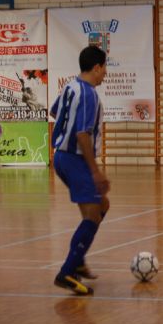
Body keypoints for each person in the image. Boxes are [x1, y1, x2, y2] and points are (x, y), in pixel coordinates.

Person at [50, 45, 109, 295]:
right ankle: (67, 272)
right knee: (93, 214)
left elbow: (56, 112)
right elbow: (82, 133)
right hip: (74, 159)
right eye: (104, 68)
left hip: (62, 157)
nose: (105, 73)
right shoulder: (88, 94)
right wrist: (95, 171)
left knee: (101, 206)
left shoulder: (69, 87)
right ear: (96, 68)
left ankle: (79, 258)